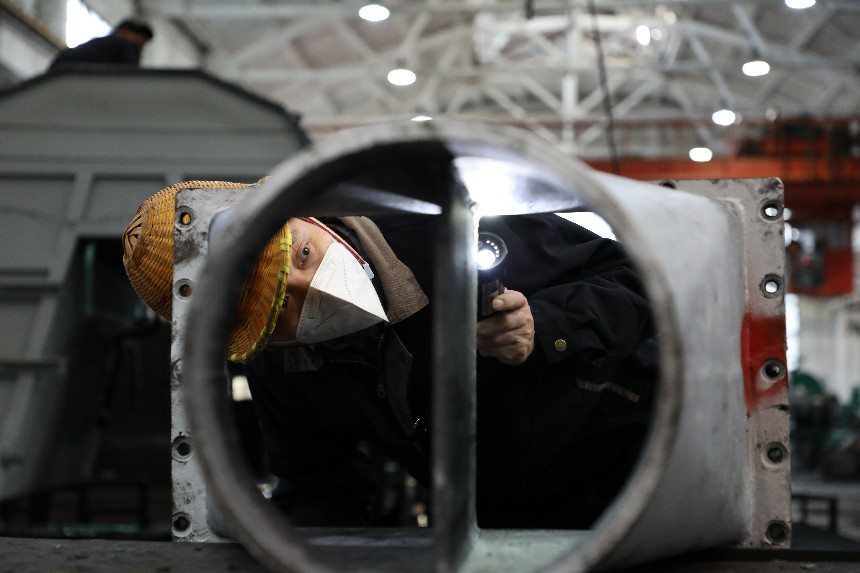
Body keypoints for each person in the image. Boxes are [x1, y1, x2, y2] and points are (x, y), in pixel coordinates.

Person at [122, 180, 658, 530]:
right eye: (281, 305)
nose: (315, 287)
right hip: (501, 518)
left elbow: (644, 280)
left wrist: (550, 326)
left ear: (306, 217)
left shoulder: (443, 230)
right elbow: (318, 486)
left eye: (302, 255)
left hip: (637, 472)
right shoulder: (283, 365)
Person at [49, 18, 154, 71]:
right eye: (141, 42)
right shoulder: (126, 44)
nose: (141, 47)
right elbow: (130, 76)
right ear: (123, 32)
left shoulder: (97, 44)